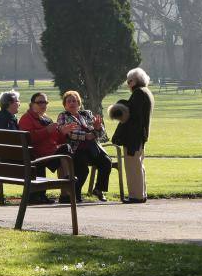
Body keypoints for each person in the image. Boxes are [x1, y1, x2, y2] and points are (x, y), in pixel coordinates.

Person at [18, 92, 78, 205]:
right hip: (37, 155)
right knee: (65, 152)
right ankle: (67, 179)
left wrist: (62, 132)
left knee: (65, 150)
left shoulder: (47, 119)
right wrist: (46, 131)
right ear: (32, 104)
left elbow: (57, 140)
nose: (43, 105)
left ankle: (65, 193)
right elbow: (28, 138)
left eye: (45, 102)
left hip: (50, 153)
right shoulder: (27, 118)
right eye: (40, 102)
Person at [57, 90, 111, 203]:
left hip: (93, 148)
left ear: (79, 103)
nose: (72, 103)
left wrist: (97, 129)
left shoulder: (86, 114)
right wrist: (87, 136)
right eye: (69, 101)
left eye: (74, 101)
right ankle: (76, 193)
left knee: (106, 162)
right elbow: (70, 134)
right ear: (65, 104)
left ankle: (98, 189)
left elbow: (101, 133)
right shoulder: (63, 116)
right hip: (76, 149)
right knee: (82, 170)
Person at [111, 68, 154, 204]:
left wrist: (120, 106)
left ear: (135, 81)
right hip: (140, 135)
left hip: (133, 137)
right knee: (138, 165)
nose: (128, 84)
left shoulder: (138, 93)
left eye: (130, 81)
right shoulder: (146, 92)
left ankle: (136, 196)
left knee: (132, 167)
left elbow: (130, 115)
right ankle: (141, 194)